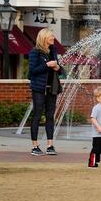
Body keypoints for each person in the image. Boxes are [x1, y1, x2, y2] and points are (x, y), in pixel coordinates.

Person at [28, 28, 64, 156]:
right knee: (37, 115)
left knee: (50, 116)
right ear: (44, 38)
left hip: (52, 88)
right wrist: (47, 65)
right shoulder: (35, 52)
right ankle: (35, 146)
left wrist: (58, 67)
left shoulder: (53, 51)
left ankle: (50, 145)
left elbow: (60, 71)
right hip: (39, 88)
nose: (53, 38)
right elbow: (32, 71)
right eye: (51, 36)